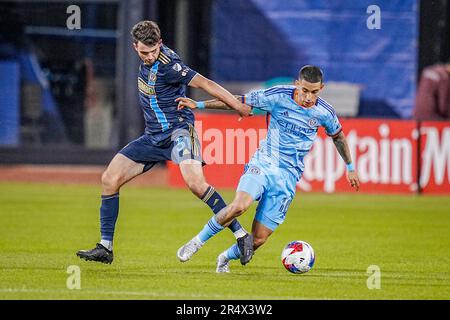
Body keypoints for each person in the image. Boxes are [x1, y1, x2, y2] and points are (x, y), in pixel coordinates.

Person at [76, 20, 253, 264]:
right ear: (134, 47)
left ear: (160, 44)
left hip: (179, 131)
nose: (148, 56)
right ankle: (105, 248)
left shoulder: (171, 66)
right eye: (143, 52)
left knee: (196, 184)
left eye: (153, 51)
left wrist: (237, 106)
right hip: (153, 136)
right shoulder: (148, 58)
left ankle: (241, 235)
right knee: (109, 179)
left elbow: (207, 84)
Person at [176, 65, 360, 272]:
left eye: (314, 92)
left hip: (288, 176)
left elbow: (338, 137)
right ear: (297, 84)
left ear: (322, 88)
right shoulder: (278, 96)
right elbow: (238, 102)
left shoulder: (324, 112)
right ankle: (197, 242)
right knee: (239, 206)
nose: (309, 97)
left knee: (258, 240)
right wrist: (199, 104)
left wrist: (350, 167)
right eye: (305, 90)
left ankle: (225, 258)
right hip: (263, 164)